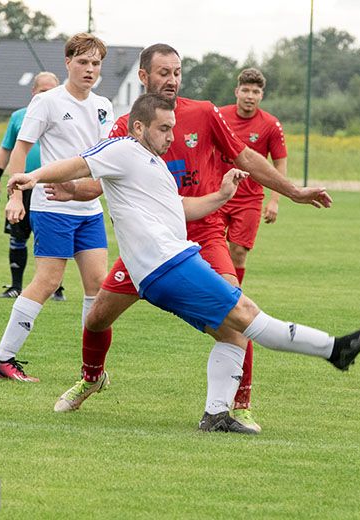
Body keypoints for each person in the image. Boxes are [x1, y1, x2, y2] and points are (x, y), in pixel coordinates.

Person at [7, 92, 360, 433]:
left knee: (230, 334)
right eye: (163, 128)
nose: (171, 136)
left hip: (165, 265)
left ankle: (216, 414)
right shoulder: (122, 148)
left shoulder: (153, 165)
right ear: (139, 127)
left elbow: (181, 208)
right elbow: (78, 164)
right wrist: (34, 176)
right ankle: (336, 350)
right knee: (248, 317)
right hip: (168, 265)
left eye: (173, 128)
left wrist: (221, 195)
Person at [44, 44, 330, 433]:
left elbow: (246, 157)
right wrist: (72, 190)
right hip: (147, 247)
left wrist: (293, 191)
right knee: (96, 318)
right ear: (143, 77)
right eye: (164, 72)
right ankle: (92, 377)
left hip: (205, 234)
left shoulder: (203, 112)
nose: (173, 80)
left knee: (237, 314)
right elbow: (97, 180)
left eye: (177, 72)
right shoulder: (128, 125)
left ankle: (237, 405)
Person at [0, 33, 114, 382]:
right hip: (52, 206)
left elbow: (105, 158)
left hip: (89, 208)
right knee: (47, 281)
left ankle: (91, 368)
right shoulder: (47, 102)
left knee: (97, 285)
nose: (89, 69)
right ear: (68, 62)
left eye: (96, 63)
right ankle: (3, 357)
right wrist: (15, 196)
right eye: (83, 62)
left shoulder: (104, 105)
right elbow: (20, 150)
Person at [216, 67, 287, 423]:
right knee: (213, 246)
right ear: (237, 91)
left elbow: (278, 163)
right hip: (220, 193)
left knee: (239, 250)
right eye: (245, 90)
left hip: (248, 200)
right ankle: (224, 282)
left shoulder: (270, 125)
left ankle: (233, 286)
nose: (249, 96)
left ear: (262, 95)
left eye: (255, 92)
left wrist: (275, 200)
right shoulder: (220, 116)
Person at [0, 71, 66, 300]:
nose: (47, 95)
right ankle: (15, 286)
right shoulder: (19, 117)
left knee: (52, 237)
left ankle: (56, 288)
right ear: (33, 92)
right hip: (22, 185)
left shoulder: (65, 117)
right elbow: (7, 149)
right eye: (43, 91)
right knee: (18, 235)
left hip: (52, 186)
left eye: (52, 90)